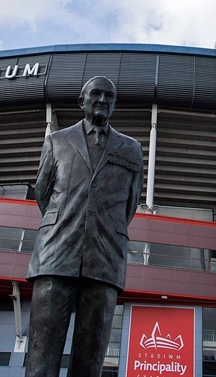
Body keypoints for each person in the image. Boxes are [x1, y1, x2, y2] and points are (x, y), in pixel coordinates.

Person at [25, 76, 143, 377]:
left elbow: (129, 206)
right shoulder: (57, 141)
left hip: (105, 258)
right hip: (55, 254)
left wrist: (100, 228)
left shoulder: (131, 149)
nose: (102, 100)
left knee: (90, 363)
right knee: (41, 360)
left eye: (109, 96)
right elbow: (43, 194)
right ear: (82, 101)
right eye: (96, 94)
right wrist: (70, 222)